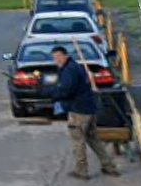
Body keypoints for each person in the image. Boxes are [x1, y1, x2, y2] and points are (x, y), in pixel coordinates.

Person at [50, 45, 119, 179]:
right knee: (94, 139)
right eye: (54, 58)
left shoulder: (69, 70)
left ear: (65, 55)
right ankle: (109, 166)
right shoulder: (76, 66)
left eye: (58, 57)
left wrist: (51, 94)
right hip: (89, 109)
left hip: (78, 111)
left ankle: (81, 171)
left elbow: (67, 90)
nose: (56, 60)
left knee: (78, 140)